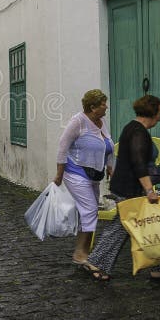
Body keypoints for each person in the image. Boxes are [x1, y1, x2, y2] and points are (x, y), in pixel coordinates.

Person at [84, 94, 160, 282]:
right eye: (159, 113)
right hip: (130, 189)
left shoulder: (133, 128)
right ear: (151, 112)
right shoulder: (138, 133)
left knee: (148, 226)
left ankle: (159, 267)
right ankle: (96, 262)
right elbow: (139, 164)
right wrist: (149, 190)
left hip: (127, 187)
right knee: (124, 228)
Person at [53, 90, 114, 266]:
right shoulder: (78, 122)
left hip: (94, 175)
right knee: (90, 210)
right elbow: (62, 148)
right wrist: (59, 174)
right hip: (75, 173)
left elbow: (108, 145)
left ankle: (83, 250)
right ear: (93, 107)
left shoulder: (101, 123)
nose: (106, 106)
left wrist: (111, 168)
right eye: (103, 104)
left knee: (89, 212)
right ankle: (81, 253)